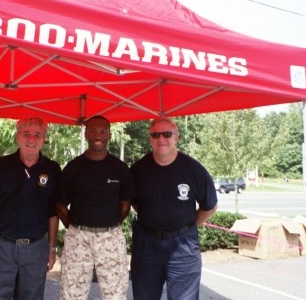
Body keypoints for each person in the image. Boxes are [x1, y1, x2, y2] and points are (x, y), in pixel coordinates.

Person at [130, 116, 218, 300]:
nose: (161, 138)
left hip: (183, 247)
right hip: (146, 245)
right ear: (150, 140)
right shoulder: (138, 170)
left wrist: (187, 226)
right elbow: (134, 202)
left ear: (176, 137)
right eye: (155, 135)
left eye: (167, 134)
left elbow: (210, 206)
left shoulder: (194, 169)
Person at [0, 117, 61, 300]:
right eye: (26, 134)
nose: (31, 139)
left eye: (37, 135)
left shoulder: (52, 169)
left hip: (36, 249)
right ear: (18, 137)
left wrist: (52, 249)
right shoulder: (1, 166)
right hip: (1, 249)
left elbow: (53, 214)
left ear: (43, 139)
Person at [56, 115, 135, 300]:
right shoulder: (73, 167)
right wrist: (77, 227)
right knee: (71, 295)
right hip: (78, 237)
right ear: (86, 134)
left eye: (102, 131)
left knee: (114, 294)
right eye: (92, 131)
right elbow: (60, 206)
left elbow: (125, 205)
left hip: (110, 237)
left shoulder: (120, 168)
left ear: (109, 135)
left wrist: (107, 224)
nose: (97, 135)